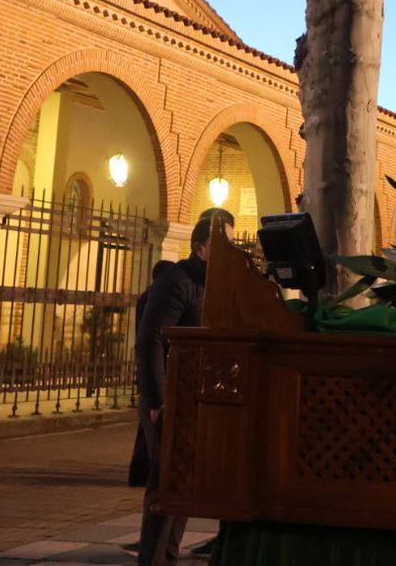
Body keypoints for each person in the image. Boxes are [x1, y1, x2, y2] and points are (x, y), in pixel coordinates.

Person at [133, 209, 234, 566]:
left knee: (183, 485)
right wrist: (158, 401)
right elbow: (150, 342)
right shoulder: (176, 281)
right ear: (199, 247)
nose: (228, 253)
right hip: (169, 397)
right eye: (220, 245)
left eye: (232, 245)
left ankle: (167, 557)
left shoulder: (217, 283)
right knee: (164, 487)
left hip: (195, 397)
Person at [128, 258, 175, 488]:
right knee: (152, 427)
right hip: (157, 369)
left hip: (150, 369)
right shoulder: (155, 299)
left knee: (145, 425)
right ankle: (149, 476)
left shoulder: (147, 297)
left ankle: (140, 472)